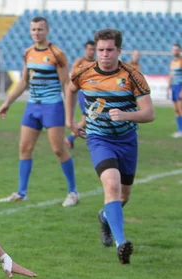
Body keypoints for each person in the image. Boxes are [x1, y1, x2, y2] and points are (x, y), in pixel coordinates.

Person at [66, 29, 154, 264]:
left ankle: (105, 217)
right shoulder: (83, 71)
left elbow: (149, 113)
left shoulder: (132, 75)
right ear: (96, 49)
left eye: (109, 50)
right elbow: (70, 89)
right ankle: (121, 243)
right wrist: (70, 120)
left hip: (127, 142)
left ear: (119, 51)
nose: (104, 54)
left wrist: (126, 114)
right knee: (112, 187)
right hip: (99, 139)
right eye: (101, 50)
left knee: (124, 195)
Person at [0, 16, 79, 207]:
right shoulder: (28, 52)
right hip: (32, 106)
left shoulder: (57, 53)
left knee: (59, 149)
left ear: (47, 30)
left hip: (52, 106)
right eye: (33, 29)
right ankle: (21, 192)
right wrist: (7, 102)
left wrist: (69, 116)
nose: (36, 33)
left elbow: (66, 85)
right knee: (24, 149)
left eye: (40, 29)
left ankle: (73, 192)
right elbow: (24, 81)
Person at [66, 40, 96, 149]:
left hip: (94, 95)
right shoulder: (79, 62)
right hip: (83, 93)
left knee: (86, 120)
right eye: (89, 49)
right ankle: (71, 139)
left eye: (93, 49)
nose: (91, 52)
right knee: (89, 118)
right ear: (85, 50)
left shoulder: (98, 63)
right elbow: (73, 79)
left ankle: (70, 139)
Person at [167, 43, 182, 138]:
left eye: (176, 49)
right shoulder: (172, 62)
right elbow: (171, 75)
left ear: (179, 51)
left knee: (181, 109)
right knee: (176, 109)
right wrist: (168, 88)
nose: (175, 51)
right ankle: (179, 129)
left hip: (180, 86)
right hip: (174, 87)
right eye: (173, 49)